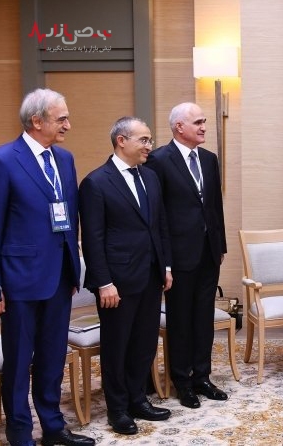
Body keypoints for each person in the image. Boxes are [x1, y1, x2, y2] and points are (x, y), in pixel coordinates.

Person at [0, 89, 94, 446]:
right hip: (19, 281)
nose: (68, 124)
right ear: (37, 121)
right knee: (19, 361)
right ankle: (20, 433)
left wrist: (72, 267)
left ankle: (53, 428)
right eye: (61, 118)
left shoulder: (65, 159)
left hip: (60, 277)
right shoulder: (4, 160)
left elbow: (69, 217)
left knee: (52, 358)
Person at [79, 116, 173, 435]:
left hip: (150, 275)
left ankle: (137, 399)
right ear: (121, 141)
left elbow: (159, 225)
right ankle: (117, 409)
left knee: (144, 343)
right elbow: (93, 239)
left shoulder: (150, 177)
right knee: (117, 346)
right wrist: (104, 282)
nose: (149, 146)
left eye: (150, 140)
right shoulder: (96, 183)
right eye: (143, 140)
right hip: (116, 282)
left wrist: (166, 267)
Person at [144, 102, 228, 408]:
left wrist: (220, 245)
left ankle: (202, 376)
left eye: (204, 121)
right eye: (198, 122)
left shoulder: (209, 159)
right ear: (179, 127)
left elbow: (215, 206)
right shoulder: (158, 160)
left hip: (208, 253)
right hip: (178, 255)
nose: (204, 127)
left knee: (203, 317)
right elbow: (157, 214)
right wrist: (164, 260)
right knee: (180, 320)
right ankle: (181, 381)